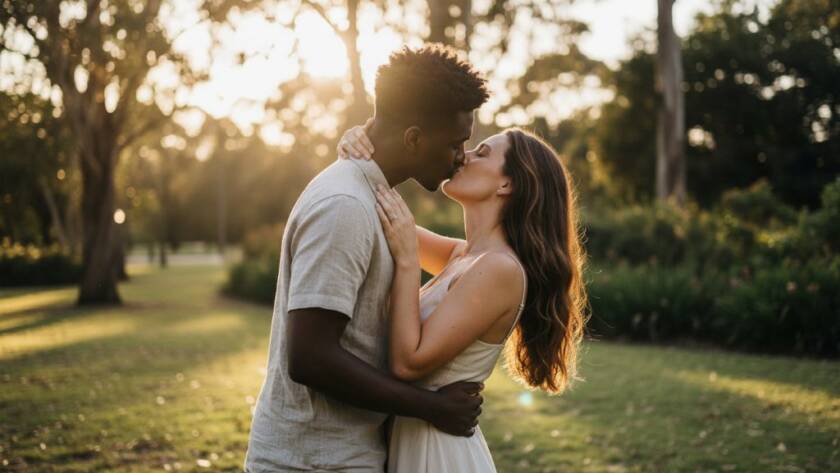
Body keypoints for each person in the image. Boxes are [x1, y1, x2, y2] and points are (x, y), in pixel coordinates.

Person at [244, 44, 490, 473]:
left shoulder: (374, 198)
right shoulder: (345, 205)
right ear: (414, 137)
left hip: (343, 455)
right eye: (456, 143)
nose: (460, 157)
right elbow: (309, 357)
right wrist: (430, 407)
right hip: (311, 462)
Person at [336, 123, 589, 472]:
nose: (462, 155)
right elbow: (384, 215)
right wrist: (358, 149)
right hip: (411, 442)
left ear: (507, 184)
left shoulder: (500, 270)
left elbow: (408, 363)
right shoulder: (463, 256)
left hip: (437, 455)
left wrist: (409, 261)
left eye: (481, 152)